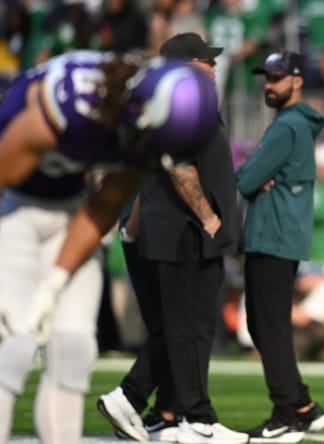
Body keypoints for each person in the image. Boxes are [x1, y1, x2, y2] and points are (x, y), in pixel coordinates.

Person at [0, 50, 219, 444]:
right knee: (12, 346)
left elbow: (104, 203)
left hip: (72, 207)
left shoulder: (146, 122)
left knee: (74, 349)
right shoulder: (66, 105)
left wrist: (54, 281)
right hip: (13, 205)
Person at [96, 33, 247, 444]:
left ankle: (165, 411)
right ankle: (186, 415)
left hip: (176, 230)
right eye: (206, 61)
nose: (214, 68)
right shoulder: (183, 103)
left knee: (182, 329)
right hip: (187, 231)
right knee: (188, 329)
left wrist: (133, 230)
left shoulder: (164, 105)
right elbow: (180, 168)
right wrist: (209, 217)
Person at [235, 50, 324, 443]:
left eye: (277, 78)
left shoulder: (287, 126)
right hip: (279, 236)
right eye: (267, 79)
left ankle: (288, 411)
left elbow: (245, 178)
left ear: (297, 81)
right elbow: (254, 176)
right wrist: (256, 173)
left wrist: (252, 170)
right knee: (265, 325)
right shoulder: (295, 124)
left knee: (268, 327)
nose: (269, 85)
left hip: (273, 236)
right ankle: (301, 405)